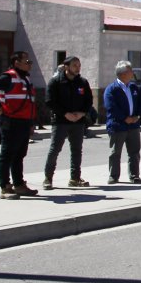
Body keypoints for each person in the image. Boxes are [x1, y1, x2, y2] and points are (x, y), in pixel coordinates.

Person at [0, 51, 39, 200]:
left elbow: (29, 102)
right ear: (16, 63)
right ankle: (5, 187)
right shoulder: (9, 77)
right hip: (10, 121)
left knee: (19, 154)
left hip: (24, 122)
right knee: (7, 154)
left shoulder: (25, 78)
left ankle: (19, 184)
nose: (29, 64)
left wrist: (31, 123)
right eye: (27, 61)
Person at [43, 56, 94, 189]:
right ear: (66, 67)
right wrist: (65, 114)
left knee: (76, 150)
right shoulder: (56, 81)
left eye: (79, 65)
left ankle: (75, 178)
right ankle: (48, 178)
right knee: (55, 149)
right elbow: (49, 101)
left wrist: (82, 113)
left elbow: (89, 100)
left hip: (78, 121)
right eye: (74, 65)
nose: (77, 68)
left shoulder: (82, 82)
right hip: (61, 121)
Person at [104, 60, 141, 184]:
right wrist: (124, 118)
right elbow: (110, 106)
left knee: (134, 152)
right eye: (130, 71)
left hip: (133, 125)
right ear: (122, 73)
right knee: (115, 152)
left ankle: (134, 175)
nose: (132, 73)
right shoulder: (112, 89)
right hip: (118, 125)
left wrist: (137, 116)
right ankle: (114, 176)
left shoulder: (134, 87)